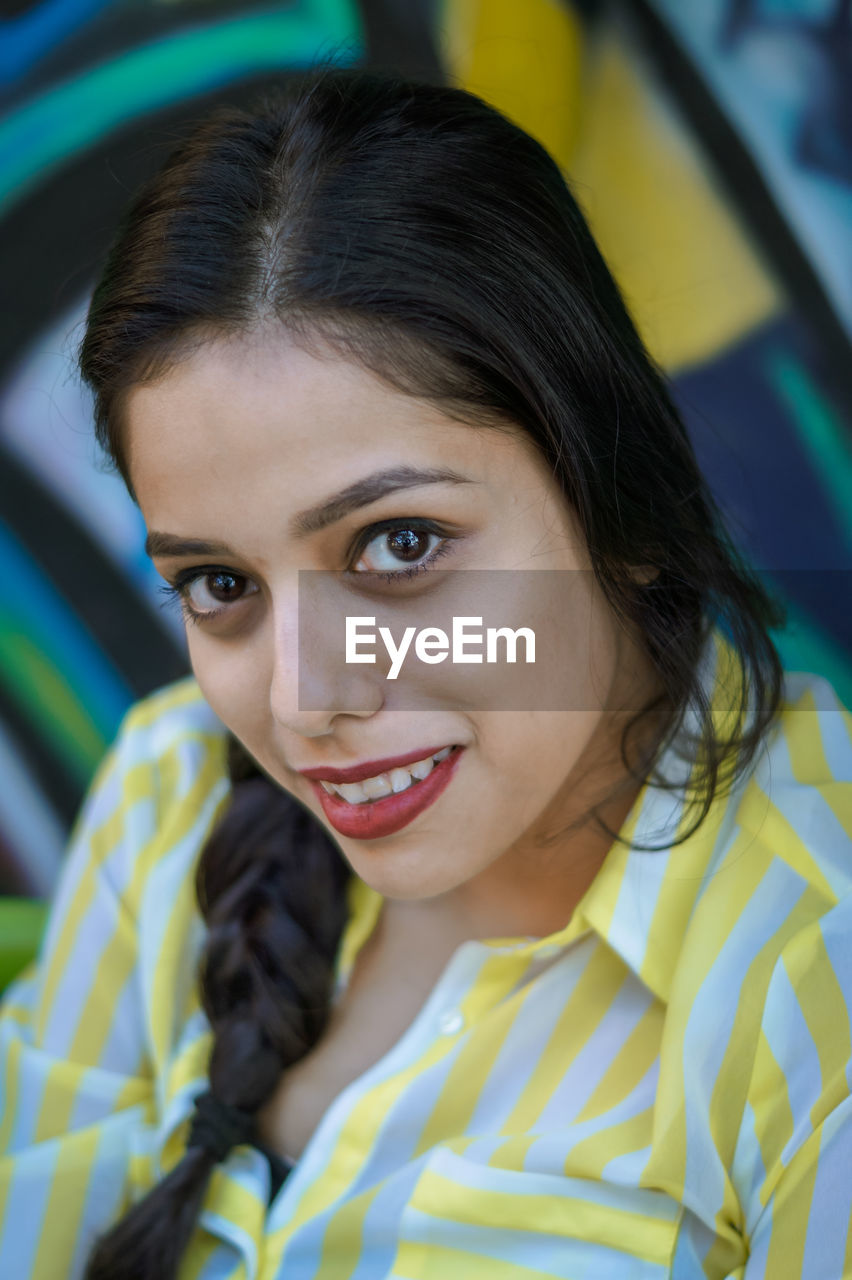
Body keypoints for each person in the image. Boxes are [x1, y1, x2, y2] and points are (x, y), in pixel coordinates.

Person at [0, 64, 850, 1280]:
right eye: (218, 583)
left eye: (399, 547)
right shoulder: (166, 797)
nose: (304, 701)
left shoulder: (819, 953)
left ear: (622, 504)